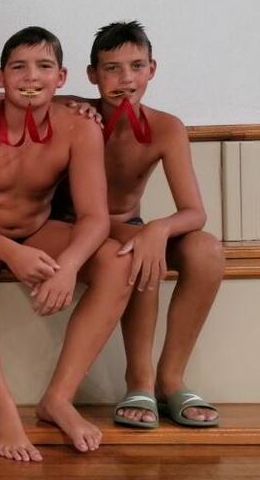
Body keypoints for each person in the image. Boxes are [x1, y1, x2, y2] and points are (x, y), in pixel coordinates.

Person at [0, 26, 133, 462]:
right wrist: (11, 253)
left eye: (44, 66)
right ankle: (1, 405)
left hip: (40, 229)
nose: (31, 77)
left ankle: (58, 399)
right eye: (19, 67)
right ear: (0, 77)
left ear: (61, 78)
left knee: (117, 261)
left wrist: (69, 266)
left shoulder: (79, 127)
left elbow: (95, 216)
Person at [84, 21, 224, 428]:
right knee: (140, 249)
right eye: (111, 69)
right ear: (92, 75)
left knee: (206, 249)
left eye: (136, 66)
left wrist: (158, 228)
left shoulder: (166, 127)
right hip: (80, 228)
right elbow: (1, 95)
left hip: (132, 225)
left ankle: (171, 378)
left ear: (152, 69)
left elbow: (194, 212)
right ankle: (139, 379)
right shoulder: (76, 112)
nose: (125, 79)